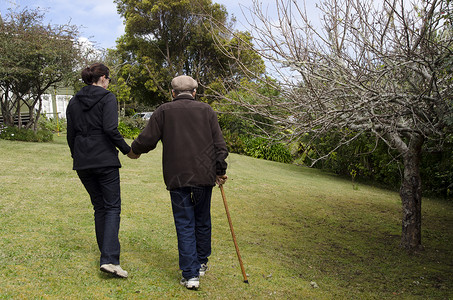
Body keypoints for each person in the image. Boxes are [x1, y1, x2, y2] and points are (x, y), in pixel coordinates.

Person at [128, 75, 228, 289]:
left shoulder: (164, 110)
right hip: (203, 176)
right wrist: (220, 170)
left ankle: (191, 274)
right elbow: (220, 145)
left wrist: (134, 151)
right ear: (194, 92)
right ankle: (200, 262)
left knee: (184, 223)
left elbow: (147, 139)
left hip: (177, 177)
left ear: (172, 92)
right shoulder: (207, 111)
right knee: (202, 219)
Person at [66, 63, 134, 278]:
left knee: (100, 207)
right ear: (103, 78)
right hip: (104, 159)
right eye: (109, 79)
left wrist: (76, 155)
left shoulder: (73, 101)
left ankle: (106, 256)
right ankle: (110, 259)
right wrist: (127, 150)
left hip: (83, 160)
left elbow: (70, 134)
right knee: (112, 207)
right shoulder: (107, 97)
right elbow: (110, 129)